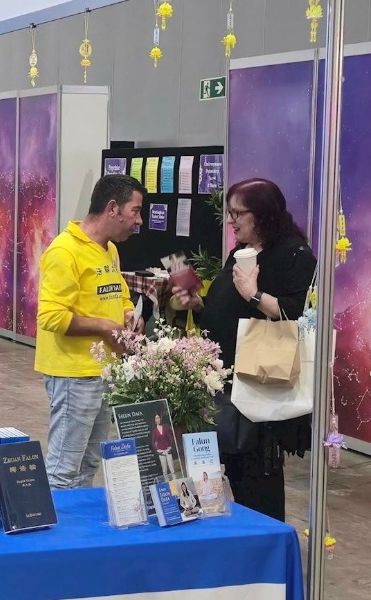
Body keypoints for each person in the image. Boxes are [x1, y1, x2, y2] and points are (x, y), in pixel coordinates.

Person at [172, 178, 316, 521]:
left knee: (257, 478)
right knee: (222, 470)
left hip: (260, 385)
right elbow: (227, 308)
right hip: (223, 384)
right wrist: (198, 303)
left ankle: (263, 542)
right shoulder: (241, 252)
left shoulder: (295, 254)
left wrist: (254, 294)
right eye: (230, 213)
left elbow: (304, 317)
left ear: (263, 215)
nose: (232, 221)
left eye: (239, 213)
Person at [35, 174, 146, 488]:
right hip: (74, 374)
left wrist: (127, 314)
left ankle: (78, 534)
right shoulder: (64, 251)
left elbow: (118, 293)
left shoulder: (108, 250)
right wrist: (104, 327)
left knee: (89, 464)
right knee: (63, 468)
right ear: (113, 208)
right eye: (135, 211)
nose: (138, 220)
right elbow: (51, 316)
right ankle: (54, 536)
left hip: (104, 371)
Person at [150, 414, 176, 480]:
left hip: (168, 450)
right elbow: (153, 442)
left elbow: (171, 437)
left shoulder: (165, 427)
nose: (158, 420)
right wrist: (157, 450)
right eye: (156, 418)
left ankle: (176, 483)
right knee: (164, 470)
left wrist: (170, 446)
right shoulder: (154, 431)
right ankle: (167, 483)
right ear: (154, 420)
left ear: (160, 418)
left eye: (158, 418)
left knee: (172, 469)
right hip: (161, 452)